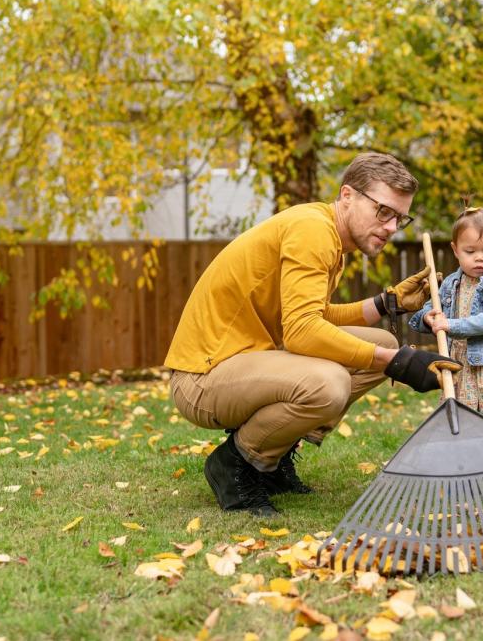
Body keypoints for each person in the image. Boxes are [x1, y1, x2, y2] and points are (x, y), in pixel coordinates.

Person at [164, 153, 460, 516]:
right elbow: (303, 332)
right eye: (383, 211)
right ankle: (234, 465)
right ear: (347, 195)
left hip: (244, 363)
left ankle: (272, 458)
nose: (392, 226)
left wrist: (388, 303)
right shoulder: (313, 230)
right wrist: (398, 363)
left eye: (400, 217)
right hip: (202, 378)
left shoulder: (328, 234)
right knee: (328, 383)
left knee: (380, 342)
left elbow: (313, 316)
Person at [409, 197, 483, 430]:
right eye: (470, 250)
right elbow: (435, 312)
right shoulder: (451, 284)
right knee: (463, 421)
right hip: (461, 365)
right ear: (455, 250)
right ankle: (469, 462)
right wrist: (428, 317)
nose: (479, 257)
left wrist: (451, 325)